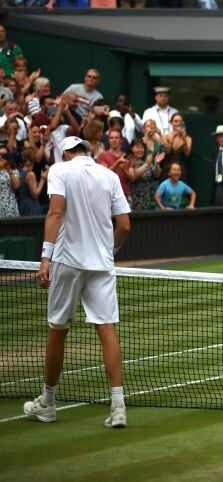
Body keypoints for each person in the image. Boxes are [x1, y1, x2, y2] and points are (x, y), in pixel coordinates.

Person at [25, 135, 131, 428]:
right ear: (87, 151)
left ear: (66, 153)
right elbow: (124, 225)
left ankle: (47, 403)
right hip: (101, 264)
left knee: (58, 329)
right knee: (106, 329)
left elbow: (55, 212)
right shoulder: (109, 176)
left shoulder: (60, 170)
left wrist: (45, 258)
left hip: (67, 261)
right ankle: (119, 408)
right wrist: (109, 251)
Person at [126, 139, 163, 211]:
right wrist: (146, 164)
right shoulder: (128, 162)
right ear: (131, 149)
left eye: (142, 147)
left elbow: (157, 174)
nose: (140, 150)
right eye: (137, 147)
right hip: (131, 198)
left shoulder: (146, 162)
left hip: (145, 198)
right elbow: (133, 177)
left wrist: (157, 164)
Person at [98, 129, 131, 200]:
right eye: (111, 138)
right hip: (108, 194)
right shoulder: (102, 155)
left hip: (124, 194)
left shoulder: (126, 156)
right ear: (108, 140)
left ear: (121, 140)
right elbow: (103, 175)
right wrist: (118, 162)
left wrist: (123, 169)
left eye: (116, 137)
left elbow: (132, 178)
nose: (114, 140)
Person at [161, 112, 191, 180]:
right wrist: (172, 139)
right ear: (171, 122)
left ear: (183, 123)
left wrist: (184, 139)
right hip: (167, 172)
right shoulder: (165, 137)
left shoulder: (187, 138)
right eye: (175, 121)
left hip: (181, 172)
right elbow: (167, 151)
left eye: (180, 121)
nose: (178, 123)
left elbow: (187, 154)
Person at [18, 147, 47, 215]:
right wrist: (43, 179)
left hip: (23, 204)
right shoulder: (31, 174)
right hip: (31, 205)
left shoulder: (21, 171)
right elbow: (35, 194)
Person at [0, 146, 20, 217]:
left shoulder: (14, 171)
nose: (1, 157)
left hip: (10, 204)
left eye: (4, 155)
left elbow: (16, 186)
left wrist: (9, 170)